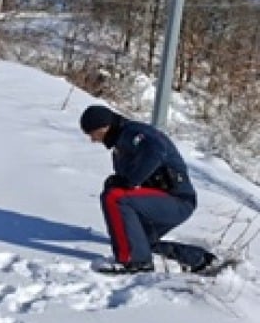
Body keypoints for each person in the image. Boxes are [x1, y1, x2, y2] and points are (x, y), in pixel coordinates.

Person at [79, 104, 216, 273]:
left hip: (177, 200)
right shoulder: (120, 146)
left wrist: (127, 181)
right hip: (162, 202)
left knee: (114, 197)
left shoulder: (133, 133)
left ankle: (135, 262)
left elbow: (156, 151)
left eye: (93, 134)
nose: (93, 140)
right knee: (138, 241)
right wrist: (120, 181)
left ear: (104, 126)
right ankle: (199, 260)